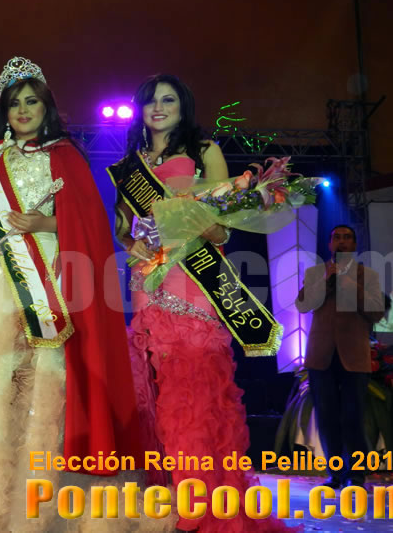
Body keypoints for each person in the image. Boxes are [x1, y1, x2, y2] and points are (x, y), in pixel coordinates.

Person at [0, 57, 142, 531]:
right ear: (4, 112)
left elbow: (89, 226)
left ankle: (36, 507)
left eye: (32, 102)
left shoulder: (65, 157)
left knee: (45, 389)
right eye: (15, 104)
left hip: (53, 284)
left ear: (46, 109)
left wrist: (45, 222)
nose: (23, 110)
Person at [110, 74, 293, 532]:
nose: (158, 107)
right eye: (150, 101)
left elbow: (223, 226)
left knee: (195, 390)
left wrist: (195, 221)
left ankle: (204, 505)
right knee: (155, 390)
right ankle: (163, 500)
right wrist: (131, 242)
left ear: (183, 106)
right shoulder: (131, 165)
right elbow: (122, 225)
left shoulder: (204, 150)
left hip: (193, 278)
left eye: (168, 99)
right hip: (147, 278)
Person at [296, 224, 384, 489]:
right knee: (327, 417)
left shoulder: (367, 275)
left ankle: (356, 475)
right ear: (329, 244)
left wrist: (349, 283)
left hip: (354, 357)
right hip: (321, 356)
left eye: (347, 238)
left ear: (354, 245)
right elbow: (303, 305)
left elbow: (376, 312)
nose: (342, 242)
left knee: (352, 417)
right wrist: (326, 280)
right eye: (337, 238)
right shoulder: (316, 273)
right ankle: (335, 474)